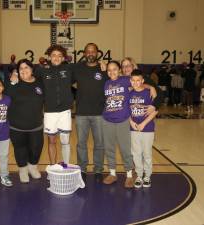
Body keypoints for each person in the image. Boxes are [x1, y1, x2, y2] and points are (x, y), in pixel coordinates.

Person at [72, 43, 107, 182]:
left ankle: (98, 169)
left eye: (93, 51)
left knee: (99, 143)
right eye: (88, 51)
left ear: (97, 53)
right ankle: (82, 169)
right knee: (81, 143)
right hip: (81, 112)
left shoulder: (104, 68)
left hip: (99, 113)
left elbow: (119, 77)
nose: (90, 53)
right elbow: (65, 80)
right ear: (84, 53)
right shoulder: (77, 68)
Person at [7, 59, 44, 183]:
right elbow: (0, 96)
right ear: (17, 71)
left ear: (32, 69)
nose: (24, 70)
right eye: (21, 68)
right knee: (20, 149)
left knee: (36, 148)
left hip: (36, 126)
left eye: (26, 67)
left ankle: (32, 167)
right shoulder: (13, 84)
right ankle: (22, 169)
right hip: (17, 126)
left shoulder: (40, 83)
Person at [36, 45, 73, 165]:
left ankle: (66, 165)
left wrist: (102, 65)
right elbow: (29, 78)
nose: (56, 58)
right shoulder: (42, 70)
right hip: (50, 112)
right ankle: (52, 166)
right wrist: (15, 75)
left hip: (65, 111)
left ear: (63, 58)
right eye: (54, 55)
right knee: (51, 141)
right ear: (49, 57)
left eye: (59, 56)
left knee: (65, 141)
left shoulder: (69, 69)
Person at [101, 61, 134, 188]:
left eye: (114, 69)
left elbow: (139, 82)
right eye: (109, 70)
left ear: (119, 70)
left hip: (123, 120)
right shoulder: (106, 83)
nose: (112, 72)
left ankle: (130, 175)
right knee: (109, 148)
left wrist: (151, 87)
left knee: (125, 149)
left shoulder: (125, 80)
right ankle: (112, 173)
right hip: (107, 119)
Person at [129, 69, 158, 188]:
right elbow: (126, 111)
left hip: (147, 128)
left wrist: (144, 124)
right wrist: (131, 122)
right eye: (133, 80)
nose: (136, 83)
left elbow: (155, 110)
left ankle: (147, 176)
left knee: (147, 153)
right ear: (130, 81)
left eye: (138, 80)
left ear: (142, 80)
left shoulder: (148, 92)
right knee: (136, 153)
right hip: (134, 129)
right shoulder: (129, 94)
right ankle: (139, 175)